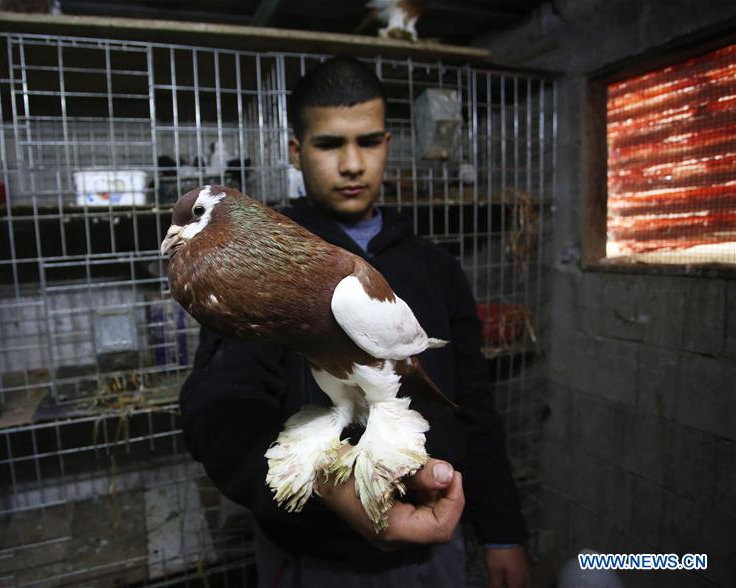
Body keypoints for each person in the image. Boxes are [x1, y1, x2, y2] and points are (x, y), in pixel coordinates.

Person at [178, 56, 529, 587]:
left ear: (388, 144)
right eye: (328, 144)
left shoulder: (437, 268)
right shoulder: (254, 264)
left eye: (368, 142)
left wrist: (503, 533)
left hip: (435, 542)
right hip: (311, 555)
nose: (351, 164)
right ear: (296, 151)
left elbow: (475, 405)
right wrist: (316, 484)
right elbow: (219, 401)